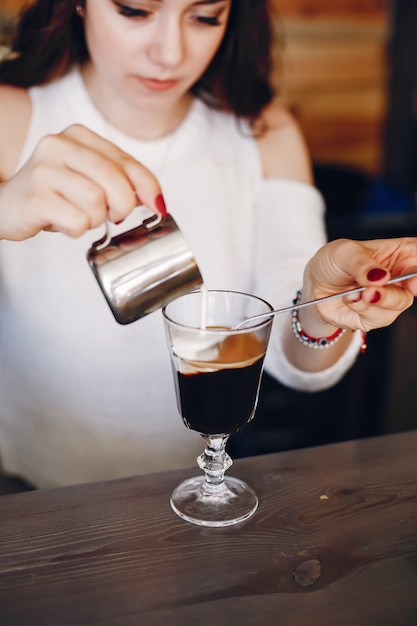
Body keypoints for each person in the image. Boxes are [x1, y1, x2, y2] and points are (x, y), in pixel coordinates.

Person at [0, 0, 416, 488]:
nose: (169, 53)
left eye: (204, 17)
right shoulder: (12, 117)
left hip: (188, 489)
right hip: (23, 493)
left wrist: (322, 307)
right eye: (135, 11)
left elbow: (297, 363)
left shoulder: (264, 134)